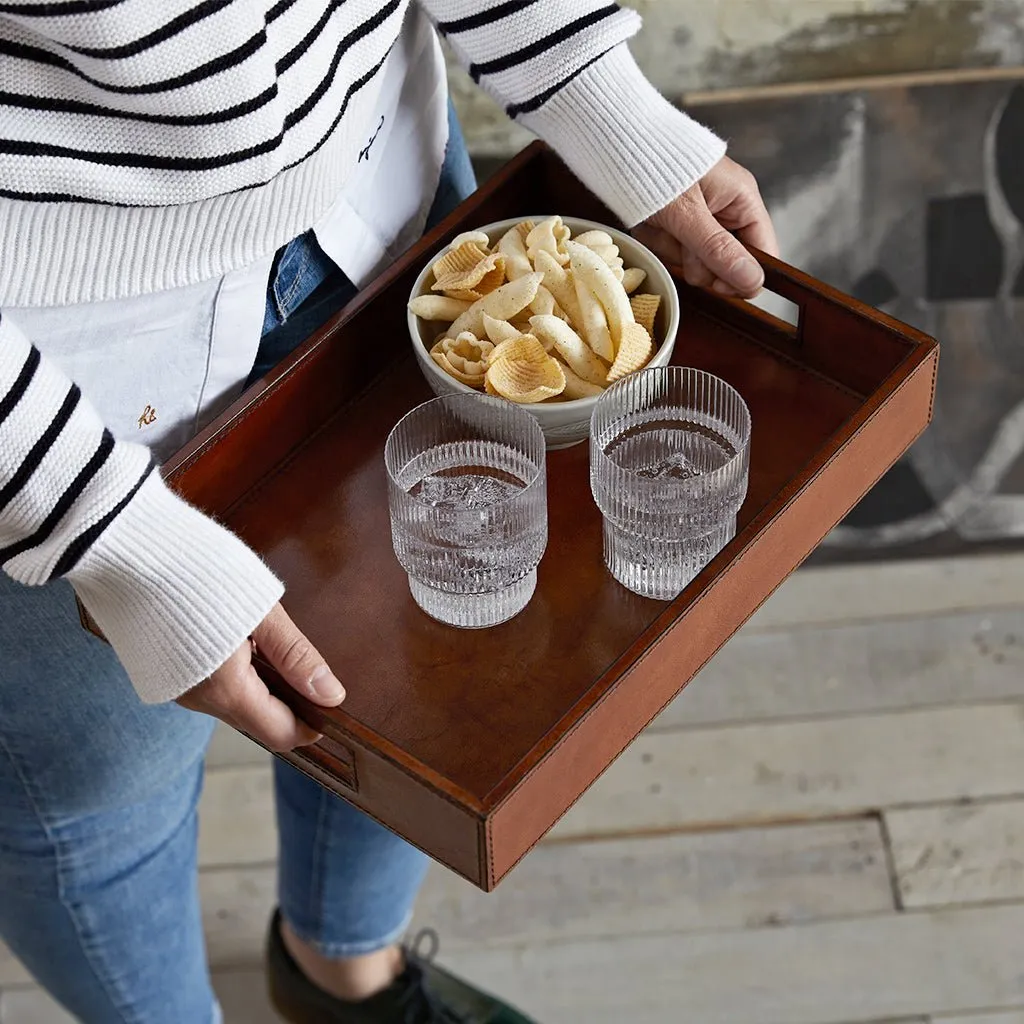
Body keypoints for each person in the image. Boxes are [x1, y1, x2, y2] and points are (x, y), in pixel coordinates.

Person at [0, 2, 778, 1022]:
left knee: (409, 667)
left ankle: (344, 974)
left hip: (386, 190)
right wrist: (96, 522)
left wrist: (596, 90)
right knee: (102, 814)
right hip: (59, 377)